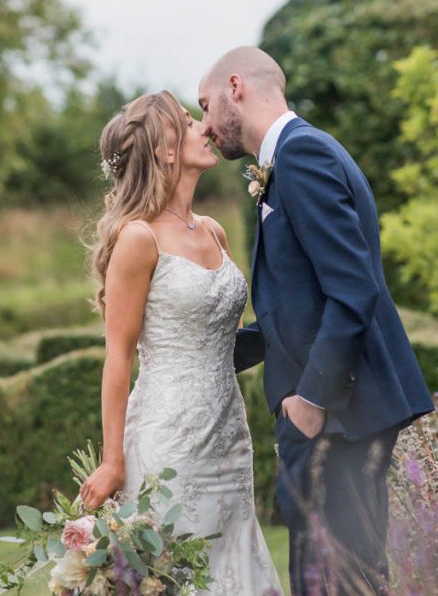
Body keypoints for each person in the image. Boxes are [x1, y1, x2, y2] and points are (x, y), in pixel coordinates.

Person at [198, 47, 435, 594]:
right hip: (335, 416)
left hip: (337, 416)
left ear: (237, 86)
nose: (206, 126)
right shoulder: (295, 157)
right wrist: (204, 349)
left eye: (206, 105)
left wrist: (312, 402)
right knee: (334, 576)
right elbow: (305, 305)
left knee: (338, 579)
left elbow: (353, 289)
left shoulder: (302, 155)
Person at [78, 90, 282, 595]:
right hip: (169, 440)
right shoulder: (138, 239)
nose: (204, 128)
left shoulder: (213, 231)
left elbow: (226, 345)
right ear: (165, 151)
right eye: (189, 124)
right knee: (178, 568)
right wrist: (112, 460)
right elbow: (119, 358)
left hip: (230, 437)